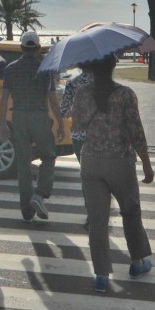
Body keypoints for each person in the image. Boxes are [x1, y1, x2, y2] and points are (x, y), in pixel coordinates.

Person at [71, 55, 154, 293]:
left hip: (91, 161)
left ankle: (101, 275)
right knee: (130, 211)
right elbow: (136, 133)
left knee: (97, 220)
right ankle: (137, 263)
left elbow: (76, 128)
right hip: (119, 162)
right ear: (113, 65)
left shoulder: (82, 93)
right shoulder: (125, 94)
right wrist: (147, 164)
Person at [0, 30, 65, 222]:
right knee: (48, 156)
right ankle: (40, 193)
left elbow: (4, 99)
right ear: (37, 48)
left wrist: (3, 123)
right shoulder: (44, 69)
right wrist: (60, 122)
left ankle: (26, 210)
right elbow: (52, 99)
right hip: (39, 116)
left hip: (18, 116)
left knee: (23, 163)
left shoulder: (10, 69)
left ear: (21, 48)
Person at [59, 64, 94, 228]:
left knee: (86, 176)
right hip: (101, 136)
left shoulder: (73, 83)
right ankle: (100, 211)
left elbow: (64, 111)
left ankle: (91, 213)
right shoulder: (104, 83)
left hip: (79, 136)